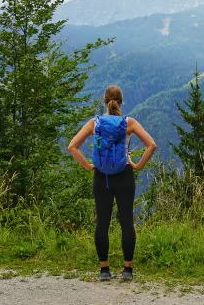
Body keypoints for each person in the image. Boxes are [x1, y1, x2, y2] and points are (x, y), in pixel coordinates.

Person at [68, 85, 157, 281]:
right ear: (121, 102)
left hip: (101, 177)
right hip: (124, 175)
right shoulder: (129, 123)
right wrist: (138, 165)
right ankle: (127, 270)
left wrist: (89, 166)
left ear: (104, 101)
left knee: (102, 222)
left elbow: (72, 146)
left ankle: (104, 270)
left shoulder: (95, 123)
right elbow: (151, 145)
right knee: (126, 222)